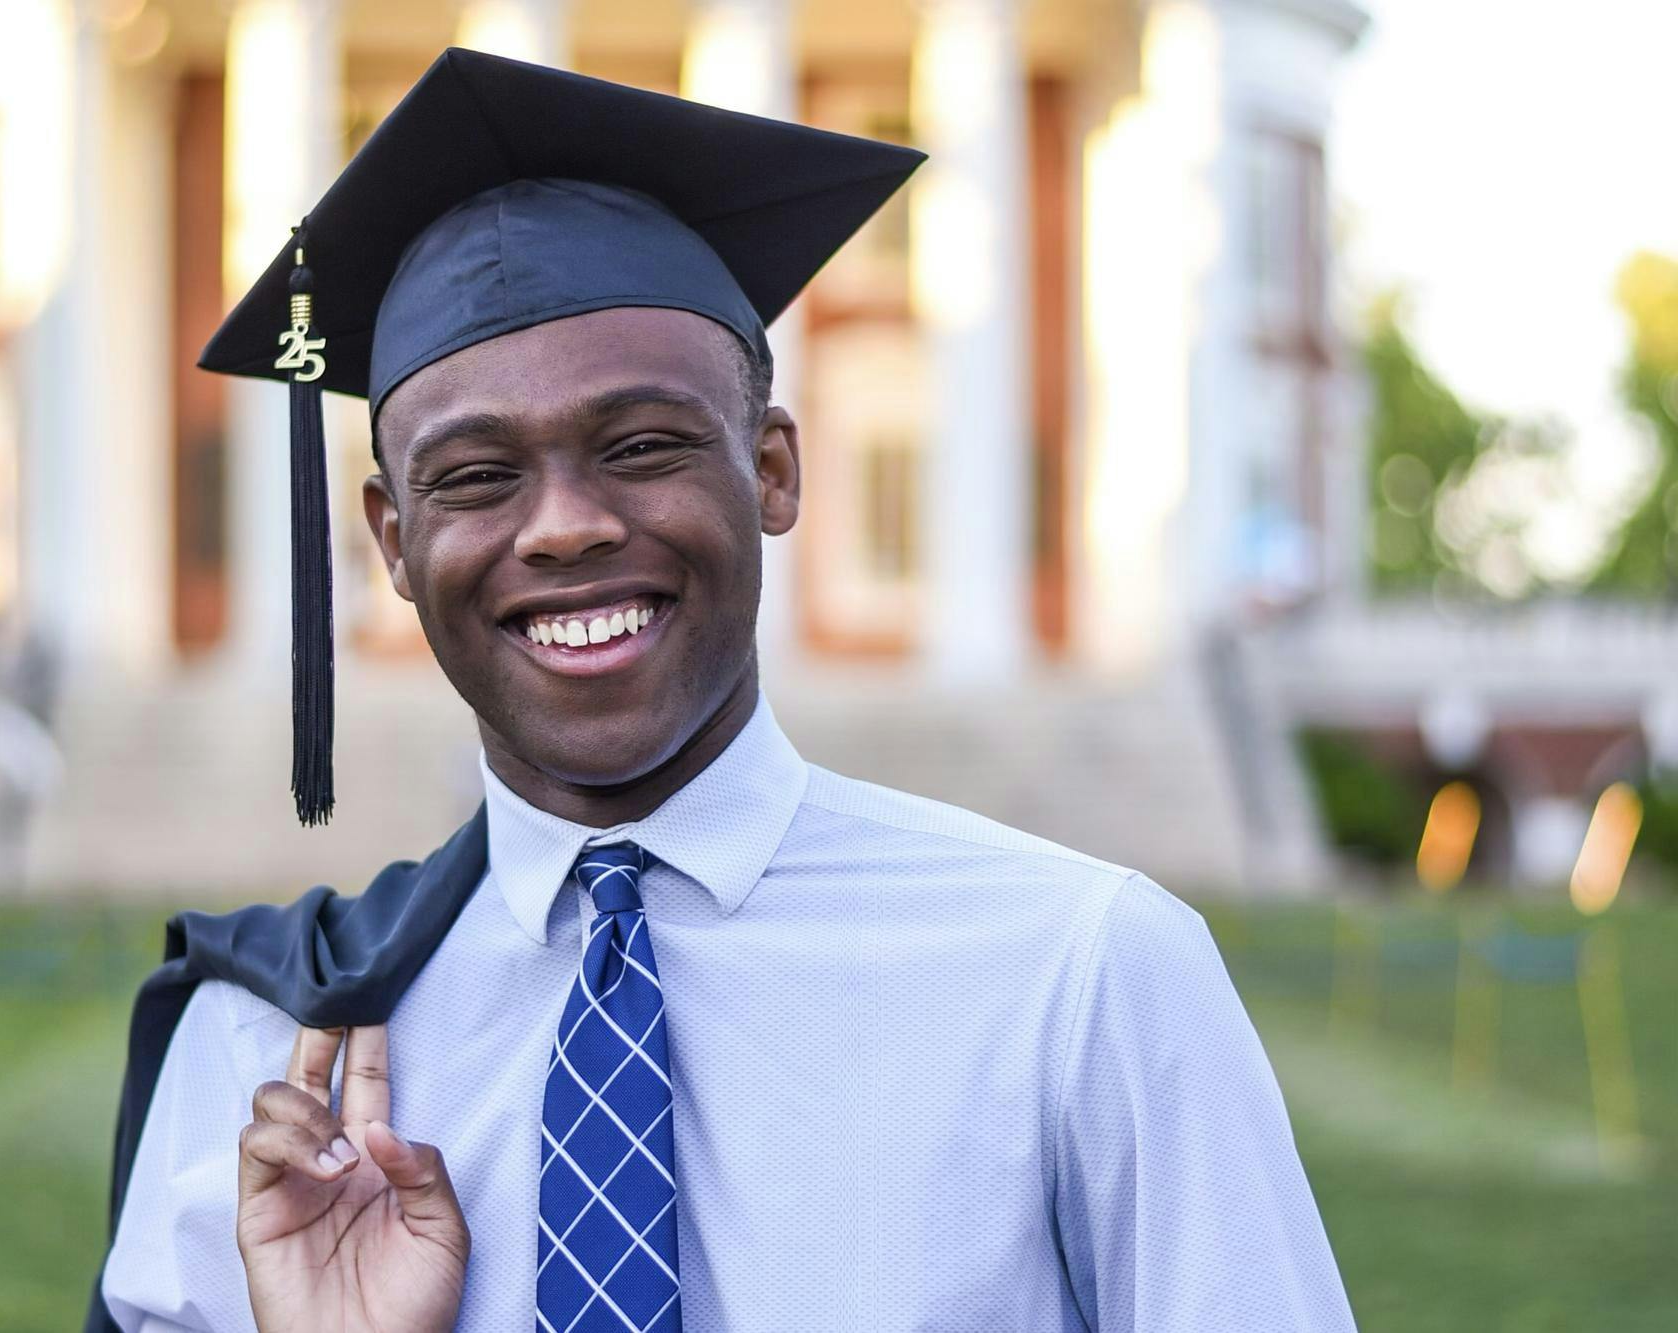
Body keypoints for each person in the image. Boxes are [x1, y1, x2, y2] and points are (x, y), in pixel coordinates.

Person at [92, 49, 1356, 1333]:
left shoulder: (1078, 978)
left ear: (771, 471)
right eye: (474, 476)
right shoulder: (269, 1056)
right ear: (392, 542)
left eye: (640, 447)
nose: (565, 527)